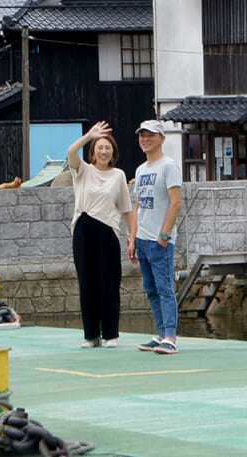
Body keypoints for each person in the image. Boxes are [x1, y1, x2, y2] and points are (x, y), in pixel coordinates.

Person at [67, 121, 133, 348]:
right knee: (87, 283)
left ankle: (110, 334)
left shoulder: (119, 176)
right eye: (99, 147)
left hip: (108, 231)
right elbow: (71, 152)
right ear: (93, 151)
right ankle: (91, 334)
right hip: (83, 229)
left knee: (109, 283)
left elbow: (126, 210)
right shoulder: (83, 170)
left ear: (113, 152)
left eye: (108, 148)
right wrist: (90, 135)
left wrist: (132, 237)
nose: (104, 151)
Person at [128, 119, 182, 354]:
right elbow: (137, 206)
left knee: (165, 287)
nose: (145, 139)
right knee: (151, 288)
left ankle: (170, 336)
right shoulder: (140, 170)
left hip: (160, 241)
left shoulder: (169, 166)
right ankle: (161, 334)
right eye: (142, 135)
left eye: (150, 135)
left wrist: (164, 235)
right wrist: (132, 239)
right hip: (142, 239)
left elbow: (176, 202)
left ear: (162, 138)